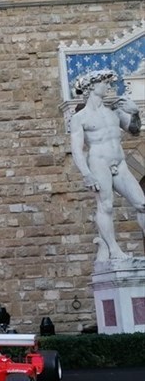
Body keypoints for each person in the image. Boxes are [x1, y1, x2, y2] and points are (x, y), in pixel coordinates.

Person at [69, 69, 144, 261]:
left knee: (142, 204)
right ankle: (113, 249)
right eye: (105, 83)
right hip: (98, 162)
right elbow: (77, 150)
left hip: (120, 163)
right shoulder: (80, 118)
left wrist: (135, 112)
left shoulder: (115, 112)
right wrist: (86, 174)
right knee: (106, 206)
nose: (109, 87)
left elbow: (134, 131)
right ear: (93, 86)